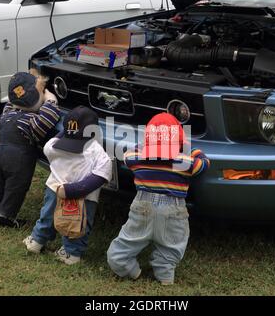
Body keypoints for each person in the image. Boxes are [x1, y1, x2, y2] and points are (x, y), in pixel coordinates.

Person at [107, 112, 210, 285]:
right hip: (173, 209)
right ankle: (165, 274)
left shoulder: (137, 159)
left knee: (118, 253)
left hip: (143, 207)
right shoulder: (184, 162)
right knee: (172, 246)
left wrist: (145, 146)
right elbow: (203, 163)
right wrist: (189, 149)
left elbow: (127, 156)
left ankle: (132, 271)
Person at [24, 106, 112, 265]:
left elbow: (47, 150)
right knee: (77, 226)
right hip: (84, 198)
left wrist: (65, 133)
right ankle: (72, 253)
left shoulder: (55, 144)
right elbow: (102, 174)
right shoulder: (96, 150)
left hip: (55, 189)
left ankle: (37, 241)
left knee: (48, 216)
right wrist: (75, 190)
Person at [0, 72, 61, 228]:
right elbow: (49, 116)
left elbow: (12, 102)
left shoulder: (7, 113)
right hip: (17, 160)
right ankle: (6, 217)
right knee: (15, 188)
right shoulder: (31, 121)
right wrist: (50, 100)